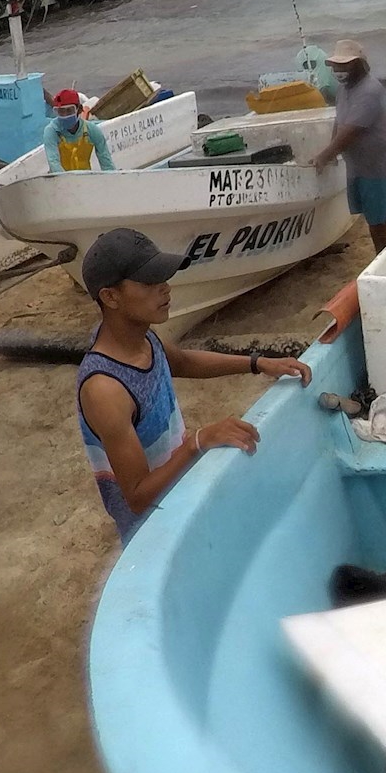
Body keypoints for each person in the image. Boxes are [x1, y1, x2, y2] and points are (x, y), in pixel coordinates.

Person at [76, 228, 310, 542]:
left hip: (180, 490)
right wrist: (196, 442)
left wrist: (258, 363)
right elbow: (138, 497)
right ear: (110, 297)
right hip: (153, 530)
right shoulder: (105, 389)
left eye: (163, 277)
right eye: (149, 282)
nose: (165, 288)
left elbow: (184, 362)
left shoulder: (143, 338)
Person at [313, 39, 386, 254]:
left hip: (377, 165)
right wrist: (332, 149)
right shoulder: (344, 90)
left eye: (344, 65)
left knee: (379, 221)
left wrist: (325, 155)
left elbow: (352, 130)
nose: (339, 70)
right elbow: (340, 121)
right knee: (370, 217)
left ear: (358, 64)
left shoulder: (369, 90)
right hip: (358, 165)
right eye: (336, 65)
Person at [44, 88, 115, 172]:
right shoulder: (52, 131)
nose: (65, 115)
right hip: (60, 178)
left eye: (69, 110)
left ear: (80, 109)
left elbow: (106, 163)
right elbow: (54, 163)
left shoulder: (92, 130)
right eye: (60, 111)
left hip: (85, 177)